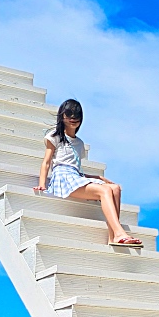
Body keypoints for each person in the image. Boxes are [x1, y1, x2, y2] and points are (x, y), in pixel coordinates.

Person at [35, 99, 142, 247]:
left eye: (76, 115)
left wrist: (98, 177)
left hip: (75, 176)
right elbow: (47, 162)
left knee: (115, 188)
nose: (73, 118)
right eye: (69, 114)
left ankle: (113, 237)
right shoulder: (55, 136)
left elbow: (76, 170)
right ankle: (119, 233)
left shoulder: (79, 143)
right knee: (104, 190)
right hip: (62, 178)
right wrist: (42, 184)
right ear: (62, 116)